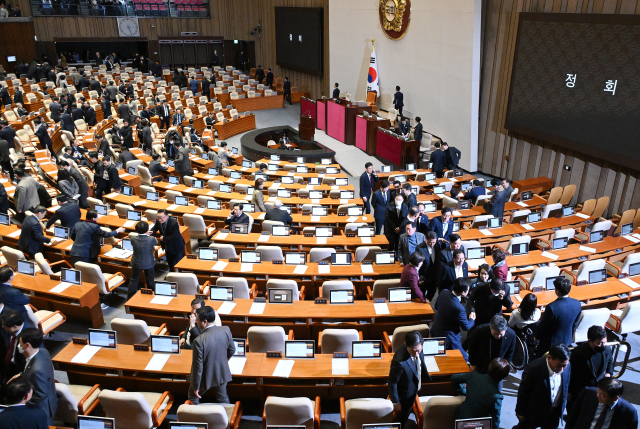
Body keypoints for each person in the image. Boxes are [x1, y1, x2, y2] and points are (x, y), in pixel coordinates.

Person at [7, 329, 57, 424]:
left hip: (41, 410)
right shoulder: (43, 351)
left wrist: (21, 404)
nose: (18, 345)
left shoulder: (37, 370)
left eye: (20, 343)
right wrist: (21, 374)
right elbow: (30, 369)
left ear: (27, 346)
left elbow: (40, 395)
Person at [515, 344, 571, 429]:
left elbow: (565, 386)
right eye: (559, 365)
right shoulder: (533, 369)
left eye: (564, 365)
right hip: (534, 412)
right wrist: (520, 411)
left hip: (554, 414)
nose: (562, 369)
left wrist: (563, 405)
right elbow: (524, 392)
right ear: (549, 358)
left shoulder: (567, 366)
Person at [188, 306, 235, 404]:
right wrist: (222, 361)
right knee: (223, 397)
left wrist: (196, 386)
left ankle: (194, 417)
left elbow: (198, 366)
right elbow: (232, 349)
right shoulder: (226, 330)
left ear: (205, 322)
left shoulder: (199, 340)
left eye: (197, 320)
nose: (196, 322)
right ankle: (226, 418)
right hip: (222, 371)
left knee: (193, 397)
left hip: (206, 375)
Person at [388, 331, 432, 427]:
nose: (416, 354)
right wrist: (396, 402)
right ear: (405, 345)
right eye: (413, 351)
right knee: (402, 420)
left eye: (418, 351)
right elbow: (392, 382)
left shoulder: (418, 346)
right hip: (405, 396)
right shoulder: (399, 361)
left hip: (414, 386)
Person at [451, 358, 510, 429]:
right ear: (503, 377)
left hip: (460, 419)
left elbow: (453, 378)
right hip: (477, 425)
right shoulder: (497, 396)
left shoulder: (474, 375)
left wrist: (463, 391)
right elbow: (495, 421)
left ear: (489, 367)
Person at [568, 325, 614, 411]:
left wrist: (609, 373)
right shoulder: (578, 353)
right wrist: (568, 390)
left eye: (604, 342)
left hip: (597, 390)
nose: (603, 345)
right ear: (589, 341)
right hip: (579, 390)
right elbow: (570, 372)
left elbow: (610, 360)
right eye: (599, 343)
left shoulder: (607, 349)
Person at [430, 278, 476, 360]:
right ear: (462, 292)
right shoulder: (459, 308)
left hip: (436, 330)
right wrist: (472, 319)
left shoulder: (443, 292)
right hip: (449, 338)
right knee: (464, 359)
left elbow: (436, 306)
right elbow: (465, 327)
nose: (469, 292)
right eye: (468, 290)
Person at [535, 277, 582, 357]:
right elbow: (574, 324)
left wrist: (536, 337)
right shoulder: (577, 304)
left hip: (550, 343)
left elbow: (544, 325)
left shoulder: (551, 307)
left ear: (557, 291)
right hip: (567, 340)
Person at [566, 378, 638, 429]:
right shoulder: (587, 393)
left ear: (615, 398)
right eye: (598, 392)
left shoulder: (629, 411)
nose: (598, 395)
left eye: (603, 395)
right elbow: (573, 417)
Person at [127, 222, 157, 299]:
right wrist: (148, 235)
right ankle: (153, 296)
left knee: (133, 280)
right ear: (147, 229)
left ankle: (130, 298)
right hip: (149, 262)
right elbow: (155, 243)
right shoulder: (151, 239)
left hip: (136, 262)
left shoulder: (133, 239)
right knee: (150, 280)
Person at [2, 310, 31, 383]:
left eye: (5, 326)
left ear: (14, 327)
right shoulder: (11, 330)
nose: (3, 327)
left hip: (20, 368)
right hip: (9, 363)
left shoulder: (29, 336)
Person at [415, 231, 439, 300]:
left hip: (434, 277)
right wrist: (418, 277)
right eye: (430, 242)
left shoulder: (437, 245)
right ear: (426, 239)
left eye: (434, 242)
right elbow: (417, 264)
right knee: (421, 295)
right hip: (424, 276)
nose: (432, 244)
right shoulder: (420, 248)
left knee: (432, 293)